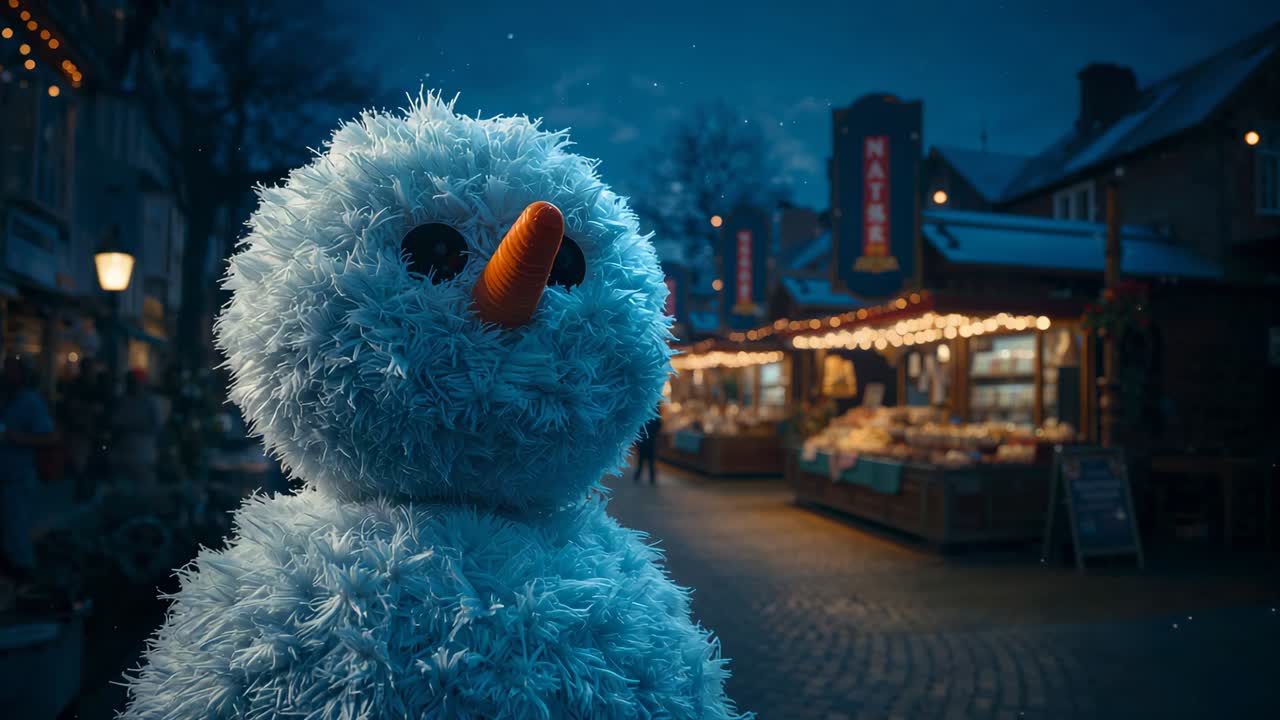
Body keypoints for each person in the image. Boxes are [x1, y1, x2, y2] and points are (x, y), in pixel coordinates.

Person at [0, 357, 56, 582]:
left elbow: (51, 438)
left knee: (16, 538)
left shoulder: (30, 402)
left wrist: (15, 437)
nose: (5, 375)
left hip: (17, 481)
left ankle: (24, 586)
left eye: (11, 372)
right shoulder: (3, 400)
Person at [110, 368, 162, 487]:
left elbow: (156, 426)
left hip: (144, 455)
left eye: (137, 382)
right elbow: (114, 423)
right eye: (131, 382)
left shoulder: (151, 402)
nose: (134, 385)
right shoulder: (121, 401)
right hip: (122, 455)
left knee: (145, 492)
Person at [632, 408, 662, 485]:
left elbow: (640, 427)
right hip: (651, 441)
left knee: (642, 460)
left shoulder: (645, 414)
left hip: (645, 440)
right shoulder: (656, 416)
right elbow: (659, 427)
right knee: (650, 460)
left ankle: (639, 475)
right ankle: (651, 478)